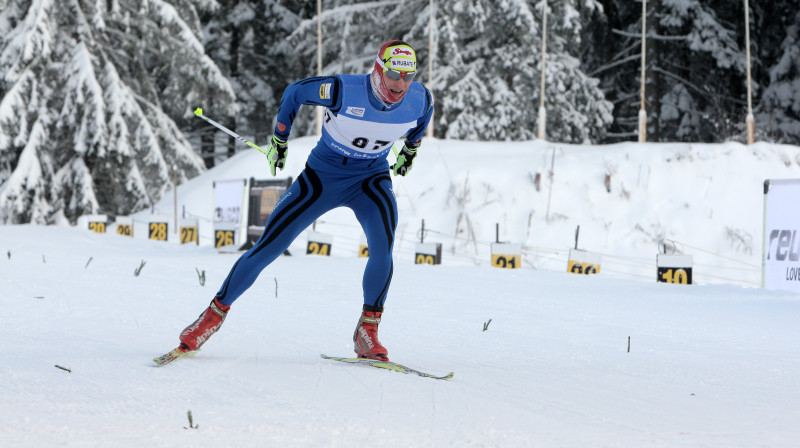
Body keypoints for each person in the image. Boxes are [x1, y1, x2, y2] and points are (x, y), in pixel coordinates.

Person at [176, 40, 434, 362]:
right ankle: (211, 317)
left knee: (383, 249)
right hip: (322, 178)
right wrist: (279, 139)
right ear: (379, 69)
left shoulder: (419, 98)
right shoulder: (342, 90)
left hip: (370, 179)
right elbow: (295, 92)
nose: (400, 84)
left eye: (408, 76)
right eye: (394, 74)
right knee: (267, 248)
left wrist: (410, 150)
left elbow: (424, 117)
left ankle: (367, 331)